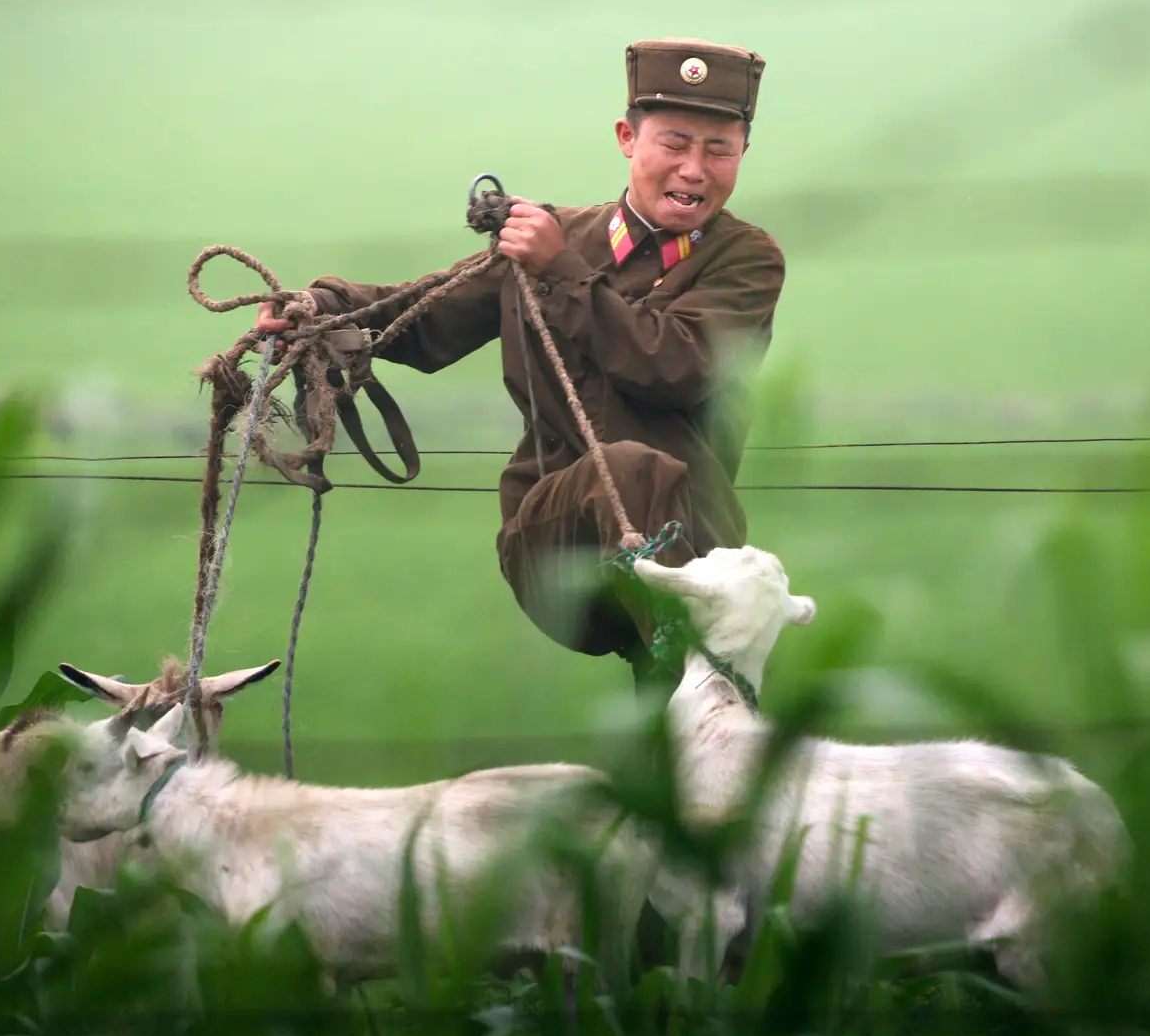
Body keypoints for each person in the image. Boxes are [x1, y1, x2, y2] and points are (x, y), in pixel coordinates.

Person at [255, 38, 785, 693]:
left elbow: (674, 365)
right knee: (624, 469)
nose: (694, 168)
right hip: (553, 543)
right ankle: (701, 687)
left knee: (686, 728)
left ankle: (693, 710)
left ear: (742, 155)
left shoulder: (747, 260)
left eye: (718, 150)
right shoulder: (553, 239)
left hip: (691, 547)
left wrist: (560, 270)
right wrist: (319, 308)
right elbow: (423, 320)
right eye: (674, 144)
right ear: (627, 138)